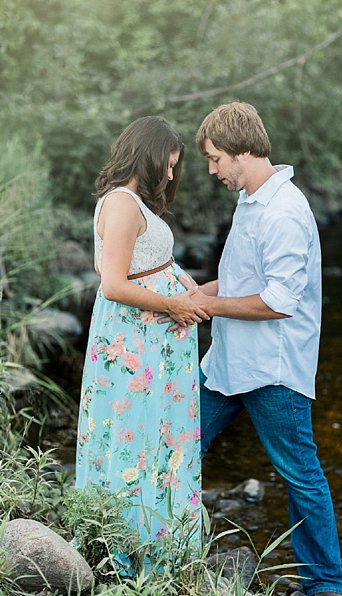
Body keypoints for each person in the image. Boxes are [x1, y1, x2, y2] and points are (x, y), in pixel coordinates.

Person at [186, 102, 342, 596]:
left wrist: (209, 309)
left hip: (273, 370)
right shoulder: (253, 198)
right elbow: (240, 281)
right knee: (177, 442)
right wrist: (192, 295)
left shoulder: (284, 211)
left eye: (215, 159)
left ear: (243, 151)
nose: (212, 170)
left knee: (300, 474)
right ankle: (169, 547)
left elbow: (278, 302)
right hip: (228, 364)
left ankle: (325, 584)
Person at [75, 116, 207, 570]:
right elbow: (112, 283)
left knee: (155, 438)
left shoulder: (131, 204)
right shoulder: (122, 204)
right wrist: (172, 306)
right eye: (168, 165)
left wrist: (186, 288)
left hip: (152, 345)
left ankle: (161, 542)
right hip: (136, 344)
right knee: (137, 441)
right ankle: (134, 555)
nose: (171, 176)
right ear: (149, 157)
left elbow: (148, 264)